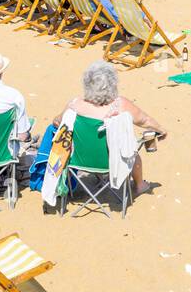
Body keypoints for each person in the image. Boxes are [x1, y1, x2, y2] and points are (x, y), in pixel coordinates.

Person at [62, 61, 166, 197]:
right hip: (113, 162)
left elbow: (58, 122)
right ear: (113, 84)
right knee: (132, 149)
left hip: (78, 161)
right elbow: (145, 120)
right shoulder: (120, 105)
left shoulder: (75, 105)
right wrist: (162, 129)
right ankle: (140, 185)